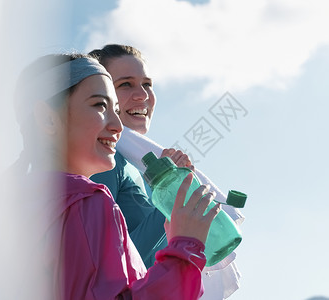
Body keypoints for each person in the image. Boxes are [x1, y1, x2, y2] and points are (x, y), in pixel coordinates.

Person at [9, 53, 221, 299]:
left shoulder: (5, 206)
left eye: (116, 109)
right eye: (99, 105)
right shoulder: (86, 200)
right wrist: (184, 248)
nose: (117, 125)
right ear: (47, 118)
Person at [89, 44, 244, 299]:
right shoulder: (107, 163)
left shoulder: (141, 167)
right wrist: (174, 200)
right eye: (126, 84)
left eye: (147, 84)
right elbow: (112, 265)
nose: (142, 95)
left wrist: (171, 184)